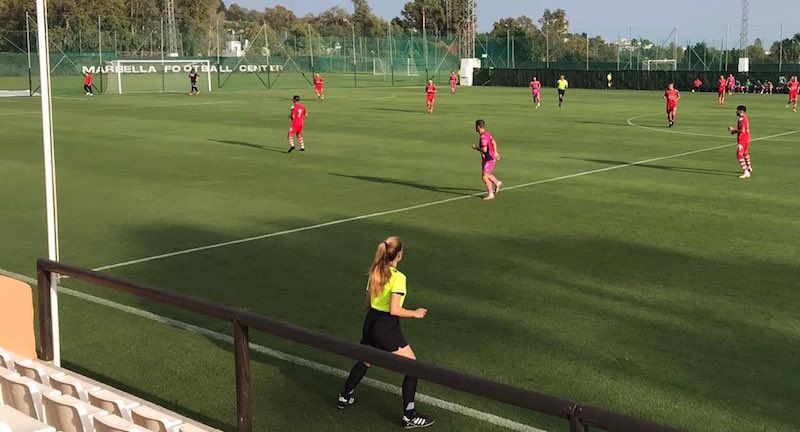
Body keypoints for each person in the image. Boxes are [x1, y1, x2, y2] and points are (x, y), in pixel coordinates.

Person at [337, 236, 435, 429]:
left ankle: (345, 396)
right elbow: (394, 309)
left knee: (366, 359)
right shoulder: (398, 277)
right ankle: (409, 416)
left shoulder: (375, 272)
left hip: (371, 321)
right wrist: (415, 313)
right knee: (413, 367)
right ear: (399, 255)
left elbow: (368, 303)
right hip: (386, 327)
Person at [471, 119, 503, 201]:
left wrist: (476, 148)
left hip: (490, 159)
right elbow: (493, 141)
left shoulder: (483, 137)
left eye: (475, 126)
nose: (475, 128)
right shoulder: (487, 134)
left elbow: (484, 150)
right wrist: (495, 152)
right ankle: (497, 183)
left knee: (485, 176)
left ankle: (491, 194)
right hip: (488, 158)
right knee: (487, 175)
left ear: (478, 127)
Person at [728, 105, 751, 179]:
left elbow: (742, 130)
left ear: (740, 111)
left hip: (742, 140)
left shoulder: (741, 119)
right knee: (745, 153)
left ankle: (746, 172)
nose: (736, 111)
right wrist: (734, 132)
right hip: (747, 138)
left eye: (737, 110)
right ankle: (749, 167)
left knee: (739, 155)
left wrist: (733, 129)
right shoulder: (745, 117)